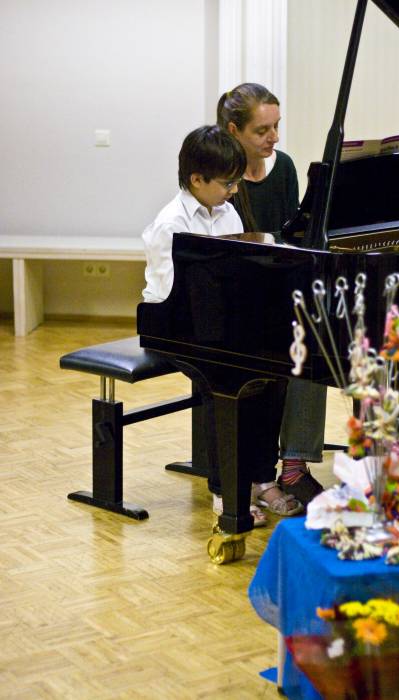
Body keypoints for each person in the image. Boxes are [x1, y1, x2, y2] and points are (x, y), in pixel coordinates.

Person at [142, 124, 302, 526]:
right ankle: (225, 490)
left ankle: (263, 478)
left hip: (222, 322)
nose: (234, 190)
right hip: (174, 326)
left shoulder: (225, 210)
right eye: (227, 182)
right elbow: (170, 294)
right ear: (197, 179)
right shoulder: (171, 225)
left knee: (276, 369)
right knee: (224, 379)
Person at [217, 83, 327, 507]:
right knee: (278, 347)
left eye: (277, 126)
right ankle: (247, 475)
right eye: (263, 130)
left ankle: (295, 463)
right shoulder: (221, 179)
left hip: (277, 290)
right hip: (240, 299)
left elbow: (292, 233)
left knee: (315, 338)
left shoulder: (283, 168)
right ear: (234, 130)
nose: (274, 137)